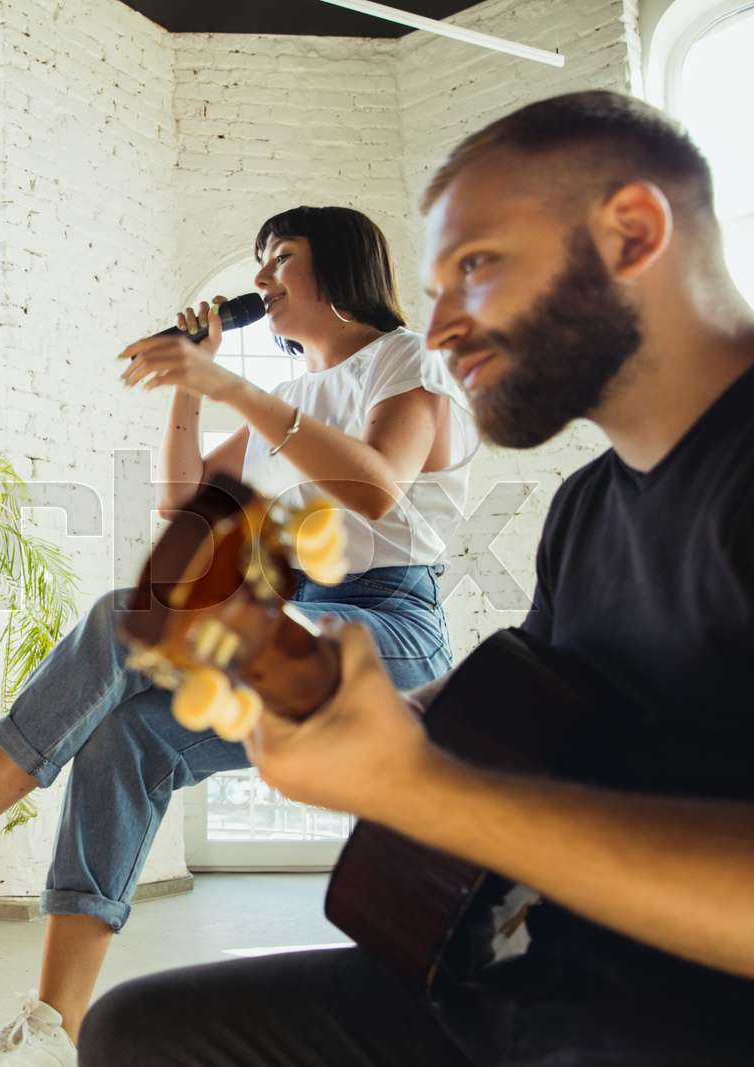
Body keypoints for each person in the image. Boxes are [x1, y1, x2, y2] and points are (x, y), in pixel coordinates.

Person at [77, 90, 754, 1067]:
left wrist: (427, 790)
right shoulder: (586, 511)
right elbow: (543, 713)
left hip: (687, 1021)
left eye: (475, 267)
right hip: (548, 977)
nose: (435, 332)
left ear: (631, 232)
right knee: (137, 1031)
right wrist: (326, 694)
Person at [0, 207, 477, 1065]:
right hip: (310, 617)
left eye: (282, 257)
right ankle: (50, 1032)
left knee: (124, 614)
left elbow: (375, 487)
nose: (260, 278)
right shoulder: (291, 398)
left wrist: (230, 390)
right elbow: (189, 503)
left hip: (393, 635)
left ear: (346, 266)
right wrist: (193, 381)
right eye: (258, 260)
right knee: (122, 739)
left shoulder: (409, 360)